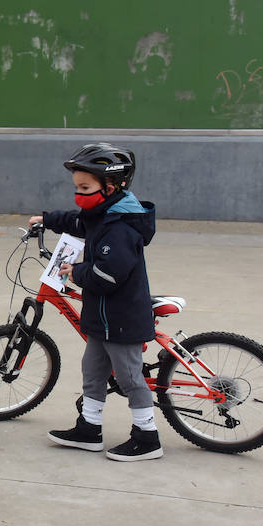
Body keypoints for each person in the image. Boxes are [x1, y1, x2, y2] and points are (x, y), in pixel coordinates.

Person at [31, 142, 161, 460]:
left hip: (121, 319)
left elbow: (108, 277)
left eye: (85, 187)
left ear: (112, 186)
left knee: (130, 377)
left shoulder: (121, 228)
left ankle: (147, 438)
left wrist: (76, 272)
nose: (79, 194)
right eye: (77, 187)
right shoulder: (103, 214)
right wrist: (47, 219)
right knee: (92, 370)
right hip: (101, 319)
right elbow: (78, 222)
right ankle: (89, 429)